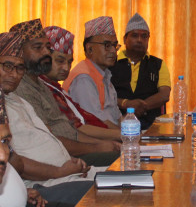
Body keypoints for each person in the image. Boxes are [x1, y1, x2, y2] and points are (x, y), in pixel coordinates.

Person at [0, 32, 94, 206]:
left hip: (67, 173)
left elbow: (47, 137)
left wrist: (70, 163)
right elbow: (15, 161)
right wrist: (60, 171)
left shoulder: (17, 100)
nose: (14, 75)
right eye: (7, 66)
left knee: (122, 178)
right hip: (42, 184)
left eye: (19, 68)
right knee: (108, 191)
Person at [9, 18, 119, 164]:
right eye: (38, 47)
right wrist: (97, 147)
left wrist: (103, 144)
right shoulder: (20, 87)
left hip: (71, 152)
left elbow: (71, 131)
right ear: (19, 52)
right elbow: (49, 139)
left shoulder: (42, 85)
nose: (45, 53)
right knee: (123, 160)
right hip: (60, 159)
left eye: (47, 47)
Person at [39, 25, 120, 139]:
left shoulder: (57, 89)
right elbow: (77, 129)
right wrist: (122, 136)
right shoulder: (82, 78)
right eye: (60, 61)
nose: (66, 68)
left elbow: (92, 119)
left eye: (69, 62)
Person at [111, 13, 172, 129]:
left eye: (144, 36)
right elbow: (102, 96)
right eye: (134, 35)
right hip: (116, 126)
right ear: (124, 39)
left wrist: (139, 107)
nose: (139, 40)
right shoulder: (111, 63)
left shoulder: (158, 64)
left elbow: (164, 95)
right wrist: (125, 103)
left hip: (151, 128)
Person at [65, 16, 122, 128]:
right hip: (97, 137)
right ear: (89, 49)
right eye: (107, 45)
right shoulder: (83, 78)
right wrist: (125, 135)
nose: (113, 51)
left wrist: (133, 133)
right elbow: (96, 123)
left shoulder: (105, 74)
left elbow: (117, 116)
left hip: (113, 134)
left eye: (115, 45)